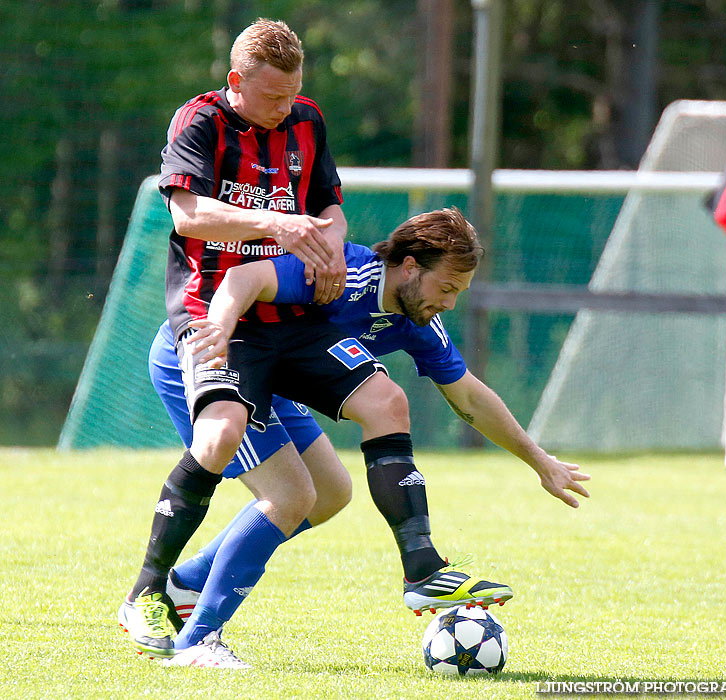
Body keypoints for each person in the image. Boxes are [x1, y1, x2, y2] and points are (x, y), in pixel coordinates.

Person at [118, 19, 512, 667]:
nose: (284, 110)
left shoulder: (306, 121)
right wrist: (276, 221)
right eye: (271, 98)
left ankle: (420, 570)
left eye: (293, 94)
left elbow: (329, 207)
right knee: (246, 461)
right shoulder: (199, 123)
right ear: (235, 83)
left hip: (289, 322)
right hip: (215, 309)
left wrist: (326, 240)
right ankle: (156, 597)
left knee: (343, 470)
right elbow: (187, 216)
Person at [149, 207, 591, 668]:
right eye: (446, 288)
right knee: (290, 496)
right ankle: (196, 641)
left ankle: (187, 584)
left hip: (274, 383)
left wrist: (539, 460)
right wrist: (216, 335)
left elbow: (471, 400)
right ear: (410, 267)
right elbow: (241, 280)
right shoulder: (342, 270)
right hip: (208, 360)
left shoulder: (415, 321)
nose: (450, 303)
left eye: (459, 293)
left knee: (330, 493)